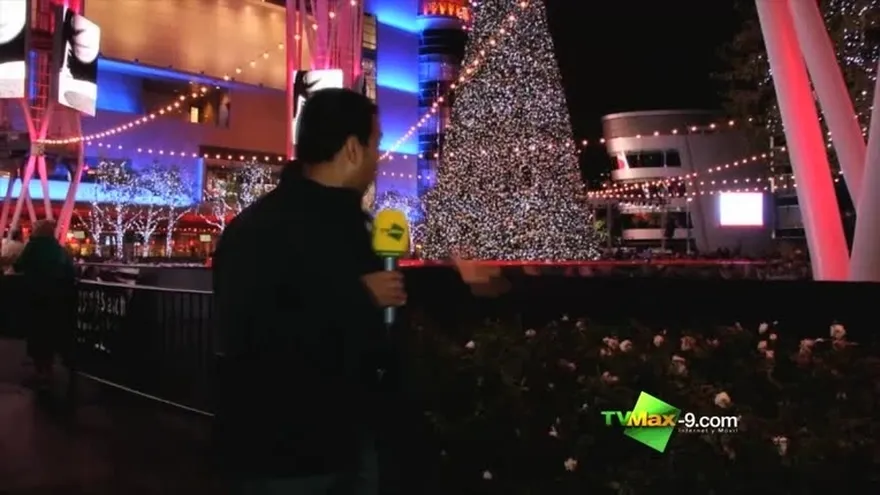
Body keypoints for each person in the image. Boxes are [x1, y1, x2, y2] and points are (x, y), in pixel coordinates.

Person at [212, 88, 405, 495]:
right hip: (286, 456)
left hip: (350, 441)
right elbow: (252, 336)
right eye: (376, 144)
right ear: (352, 148)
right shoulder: (262, 231)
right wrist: (361, 298)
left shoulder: (354, 225)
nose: (377, 159)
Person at [14, 220, 76, 388]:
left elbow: (18, 265)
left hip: (36, 296)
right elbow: (70, 272)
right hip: (58, 298)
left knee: (36, 333)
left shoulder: (33, 246)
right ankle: (51, 369)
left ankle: (40, 371)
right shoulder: (59, 249)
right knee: (51, 332)